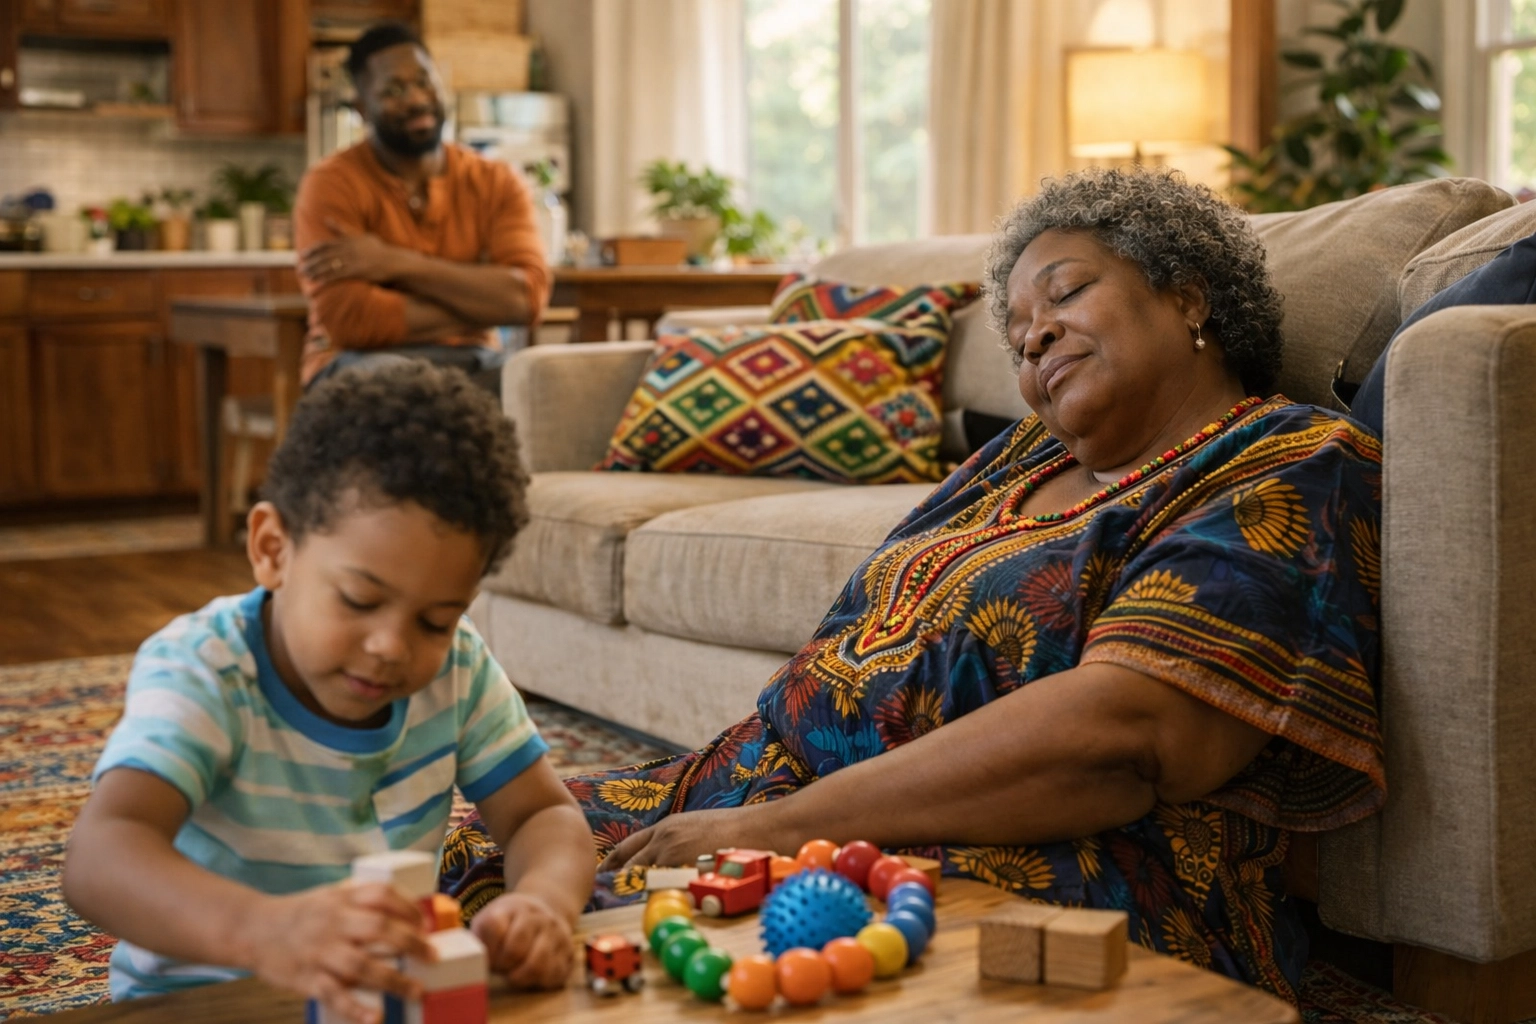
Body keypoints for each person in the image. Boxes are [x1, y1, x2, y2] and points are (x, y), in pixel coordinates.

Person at [441, 168, 1386, 1002]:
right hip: (756, 789)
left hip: (999, 856)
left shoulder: (1280, 461)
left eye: (1067, 294)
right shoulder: (1020, 457)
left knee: (643, 962)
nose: (1035, 340)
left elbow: (1129, 735)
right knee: (437, 845)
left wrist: (775, 826)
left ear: (1188, 296)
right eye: (1017, 339)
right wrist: (744, 804)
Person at [63, 363, 594, 1023]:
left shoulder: (457, 667)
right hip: (203, 1004)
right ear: (272, 549)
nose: (391, 646)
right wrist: (267, 931)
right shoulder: (206, 670)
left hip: (382, 999)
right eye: (360, 599)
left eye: (435, 619)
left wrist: (542, 903)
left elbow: (544, 816)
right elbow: (100, 854)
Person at [294, 21, 549, 395]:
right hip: (358, 363)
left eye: (424, 82)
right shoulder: (331, 184)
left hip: (475, 359)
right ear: (363, 109)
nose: (416, 99)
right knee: (404, 395)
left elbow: (526, 299)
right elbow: (351, 320)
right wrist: (477, 304)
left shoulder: (497, 181)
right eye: (394, 90)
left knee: (541, 389)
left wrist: (393, 262)